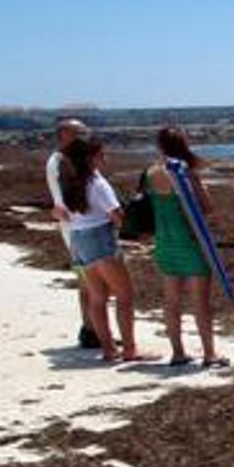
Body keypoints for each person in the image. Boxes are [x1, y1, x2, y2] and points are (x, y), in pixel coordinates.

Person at [58, 137, 149, 363]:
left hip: (78, 239)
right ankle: (129, 348)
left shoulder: (69, 182)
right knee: (124, 296)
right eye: (101, 155)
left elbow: (62, 212)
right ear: (90, 158)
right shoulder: (97, 183)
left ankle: (109, 348)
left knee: (97, 297)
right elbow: (117, 216)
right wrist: (137, 230)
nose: (105, 158)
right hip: (99, 238)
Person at [145, 126, 227, 368]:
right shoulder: (183, 172)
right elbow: (206, 207)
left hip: (165, 240)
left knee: (171, 300)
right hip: (190, 241)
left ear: (160, 146)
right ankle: (209, 354)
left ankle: (178, 352)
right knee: (200, 301)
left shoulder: (151, 172)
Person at [46, 118, 101, 349]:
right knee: (90, 281)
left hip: (75, 228)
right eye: (78, 132)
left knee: (86, 281)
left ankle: (90, 328)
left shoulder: (62, 161)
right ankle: (91, 330)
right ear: (64, 135)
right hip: (79, 228)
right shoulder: (61, 161)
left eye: (84, 131)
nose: (84, 135)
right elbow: (66, 200)